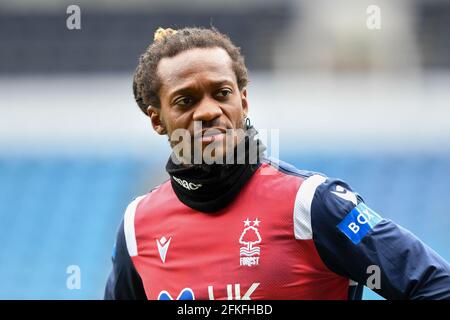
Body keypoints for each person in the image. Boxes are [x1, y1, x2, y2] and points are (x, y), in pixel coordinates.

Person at [104, 27, 450, 300]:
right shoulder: (138, 225)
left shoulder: (312, 204)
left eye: (221, 93)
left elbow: (435, 285)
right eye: (185, 100)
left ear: (243, 101)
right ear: (157, 120)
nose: (209, 111)